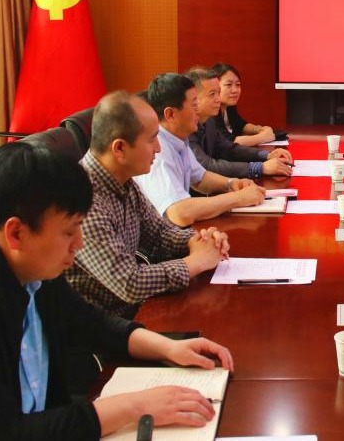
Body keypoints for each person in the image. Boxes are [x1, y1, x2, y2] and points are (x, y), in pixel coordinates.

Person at [0, 142, 234, 440]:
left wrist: (168, 348)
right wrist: (134, 407)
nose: (79, 244)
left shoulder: (29, 261)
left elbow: (87, 321)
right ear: (16, 232)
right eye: (68, 231)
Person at [66, 91, 230, 317]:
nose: (158, 148)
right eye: (152, 139)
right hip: (103, 326)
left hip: (136, 314)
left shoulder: (122, 180)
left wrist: (199, 240)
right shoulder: (84, 200)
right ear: (119, 148)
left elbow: (158, 234)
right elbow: (129, 283)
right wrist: (195, 262)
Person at [134, 73, 266, 227]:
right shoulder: (158, 152)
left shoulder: (177, 138)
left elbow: (200, 179)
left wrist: (231, 183)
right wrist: (239, 198)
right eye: (194, 104)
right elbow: (179, 213)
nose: (199, 110)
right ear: (170, 114)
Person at [185, 67, 293, 179]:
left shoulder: (209, 121)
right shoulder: (185, 128)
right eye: (212, 94)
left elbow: (228, 148)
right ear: (194, 98)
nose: (218, 99)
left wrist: (267, 155)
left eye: (218, 93)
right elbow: (206, 166)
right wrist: (260, 167)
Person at [212, 62, 276, 147]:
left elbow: (240, 125)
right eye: (228, 85)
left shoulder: (229, 105)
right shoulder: (211, 111)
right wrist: (263, 137)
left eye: (238, 85)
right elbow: (227, 142)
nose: (235, 90)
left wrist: (260, 129)